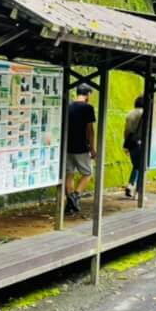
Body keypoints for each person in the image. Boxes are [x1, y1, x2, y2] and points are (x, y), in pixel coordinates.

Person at [65, 85, 96, 214]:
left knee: (69, 173)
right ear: (88, 94)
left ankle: (70, 203)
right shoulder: (88, 108)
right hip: (81, 146)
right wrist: (93, 148)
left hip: (67, 146)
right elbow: (90, 130)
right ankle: (76, 196)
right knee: (87, 173)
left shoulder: (68, 106)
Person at [123, 95, 144, 198]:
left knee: (136, 165)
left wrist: (126, 145)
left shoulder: (130, 113)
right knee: (142, 167)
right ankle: (139, 193)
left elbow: (126, 131)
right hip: (141, 143)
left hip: (131, 143)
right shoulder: (143, 113)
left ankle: (130, 185)